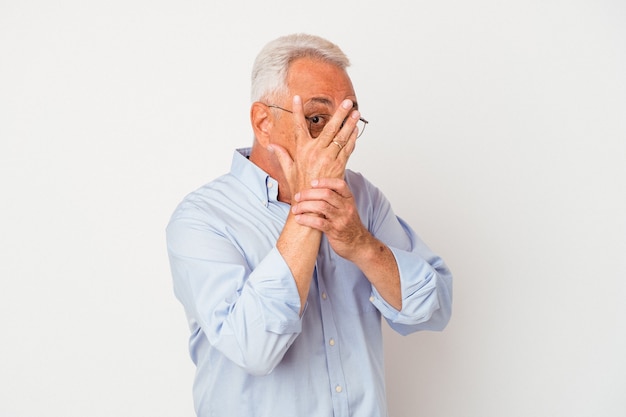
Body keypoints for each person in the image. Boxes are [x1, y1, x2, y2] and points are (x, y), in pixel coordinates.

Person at [166, 33, 453, 417]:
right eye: (318, 119)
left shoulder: (362, 198)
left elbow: (434, 309)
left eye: (348, 122)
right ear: (263, 122)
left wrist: (361, 244)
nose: (338, 139)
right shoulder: (201, 219)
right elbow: (254, 348)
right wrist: (307, 206)